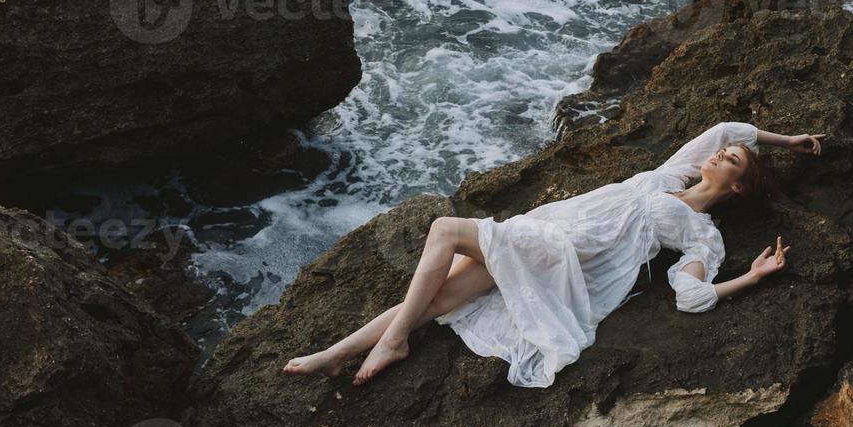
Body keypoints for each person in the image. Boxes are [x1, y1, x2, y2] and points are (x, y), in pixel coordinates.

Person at [285, 121, 823, 387]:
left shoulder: (702, 232)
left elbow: (691, 295)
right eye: (727, 153)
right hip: (541, 229)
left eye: (737, 161)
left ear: (738, 187)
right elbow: (730, 127)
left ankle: (394, 340)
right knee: (437, 297)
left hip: (563, 253)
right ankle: (338, 353)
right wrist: (786, 140)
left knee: (446, 229)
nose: (727, 151)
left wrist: (749, 279)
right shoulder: (671, 173)